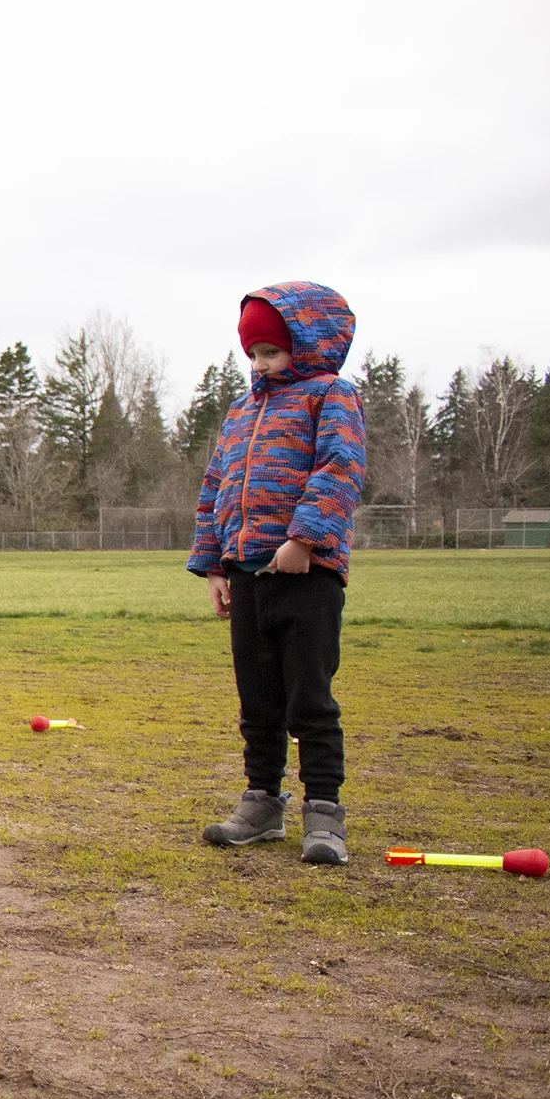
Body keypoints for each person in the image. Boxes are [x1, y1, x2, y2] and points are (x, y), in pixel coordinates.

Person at [187, 283, 365, 865]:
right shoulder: (241, 412)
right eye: (254, 354)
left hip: (307, 576)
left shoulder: (331, 396)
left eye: (273, 352)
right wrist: (214, 564)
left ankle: (324, 815)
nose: (262, 364)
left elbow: (340, 469)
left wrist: (302, 538)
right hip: (246, 576)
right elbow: (215, 489)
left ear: (308, 344)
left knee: (310, 702)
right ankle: (262, 804)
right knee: (256, 700)